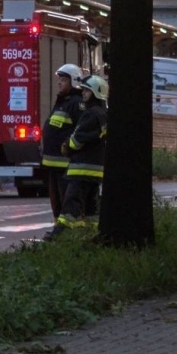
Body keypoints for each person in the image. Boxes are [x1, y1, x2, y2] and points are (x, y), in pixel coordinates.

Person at [54, 74, 107, 236]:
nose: (83, 93)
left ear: (97, 93)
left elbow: (77, 140)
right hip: (95, 169)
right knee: (91, 207)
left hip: (81, 169)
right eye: (83, 90)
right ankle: (91, 234)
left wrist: (67, 146)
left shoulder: (91, 114)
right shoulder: (104, 114)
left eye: (87, 91)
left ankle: (61, 234)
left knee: (71, 202)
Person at [39, 63, 85, 219]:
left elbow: (80, 131)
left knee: (66, 202)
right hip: (54, 165)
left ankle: (66, 232)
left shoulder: (76, 104)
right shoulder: (62, 101)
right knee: (56, 203)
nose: (59, 82)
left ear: (74, 81)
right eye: (59, 79)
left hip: (65, 165)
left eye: (64, 79)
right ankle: (58, 230)